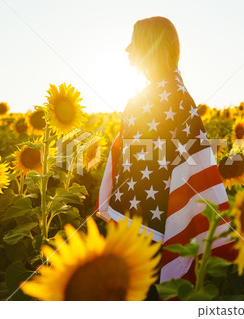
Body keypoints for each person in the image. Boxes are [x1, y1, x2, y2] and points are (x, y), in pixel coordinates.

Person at [95, 16, 236, 300]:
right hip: (138, 222)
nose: (126, 49)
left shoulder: (172, 97)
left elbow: (192, 163)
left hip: (153, 229)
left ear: (150, 46)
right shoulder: (160, 94)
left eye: (133, 42)